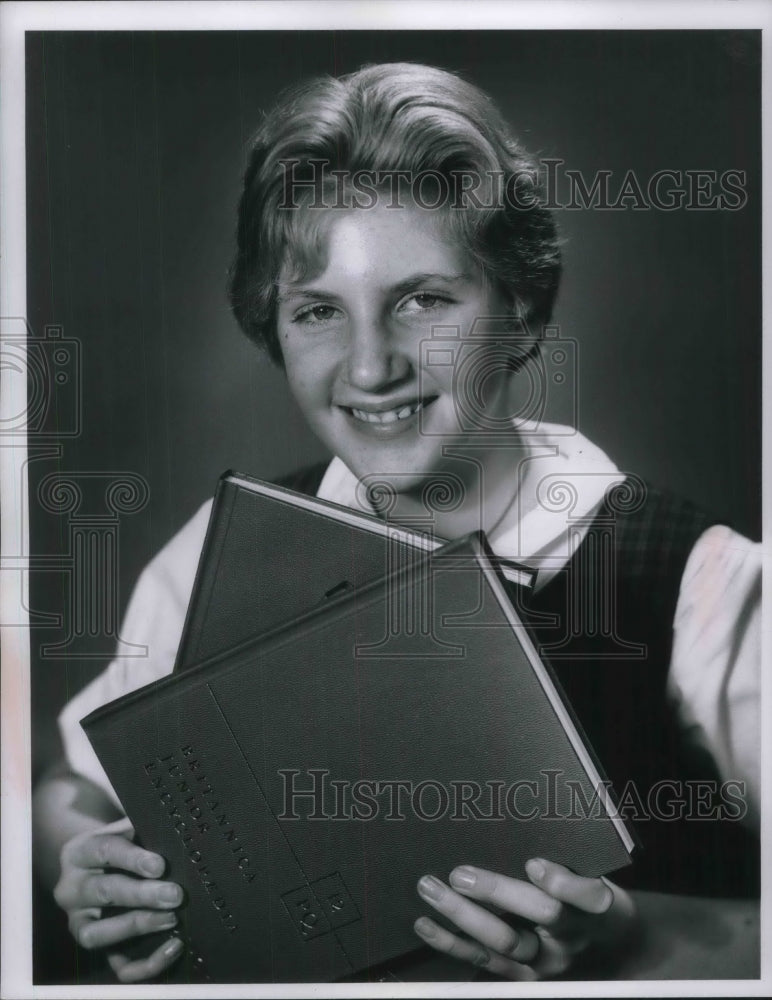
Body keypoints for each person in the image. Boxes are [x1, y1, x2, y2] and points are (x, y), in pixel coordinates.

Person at [32, 62, 760, 984]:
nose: (370, 368)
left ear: (523, 310)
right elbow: (70, 787)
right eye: (318, 312)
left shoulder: (699, 582)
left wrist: (630, 940)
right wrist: (91, 864)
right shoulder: (219, 549)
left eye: (423, 300)